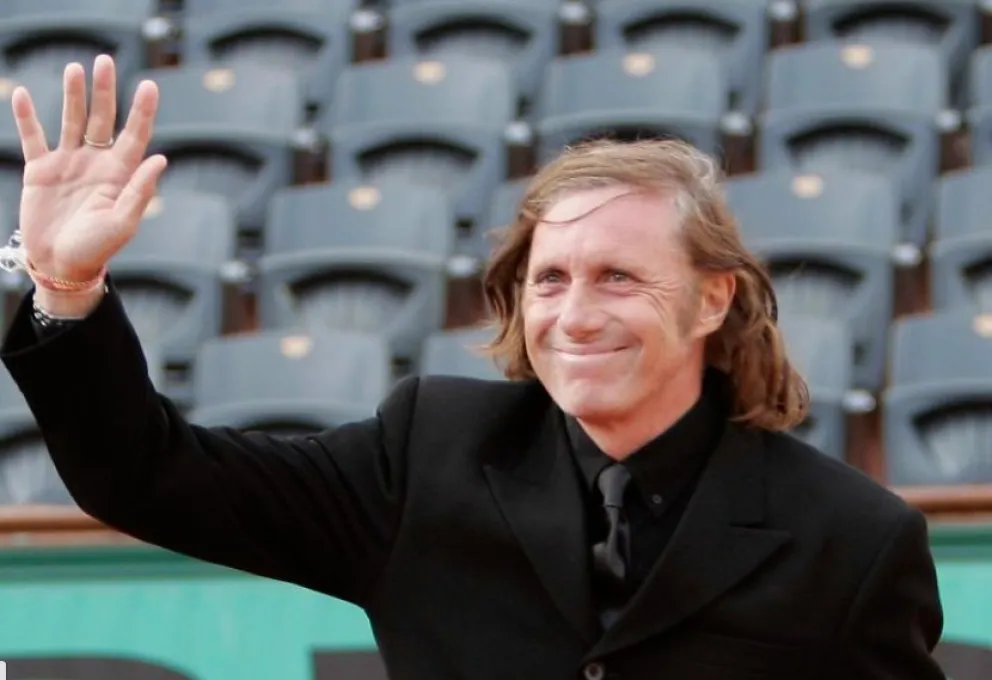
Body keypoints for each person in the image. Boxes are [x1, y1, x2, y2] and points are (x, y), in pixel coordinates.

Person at [0, 55, 945, 680]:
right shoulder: (427, 453)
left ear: (711, 300)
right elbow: (150, 476)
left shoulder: (853, 541)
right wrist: (66, 285)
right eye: (550, 280)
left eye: (618, 278)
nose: (575, 315)